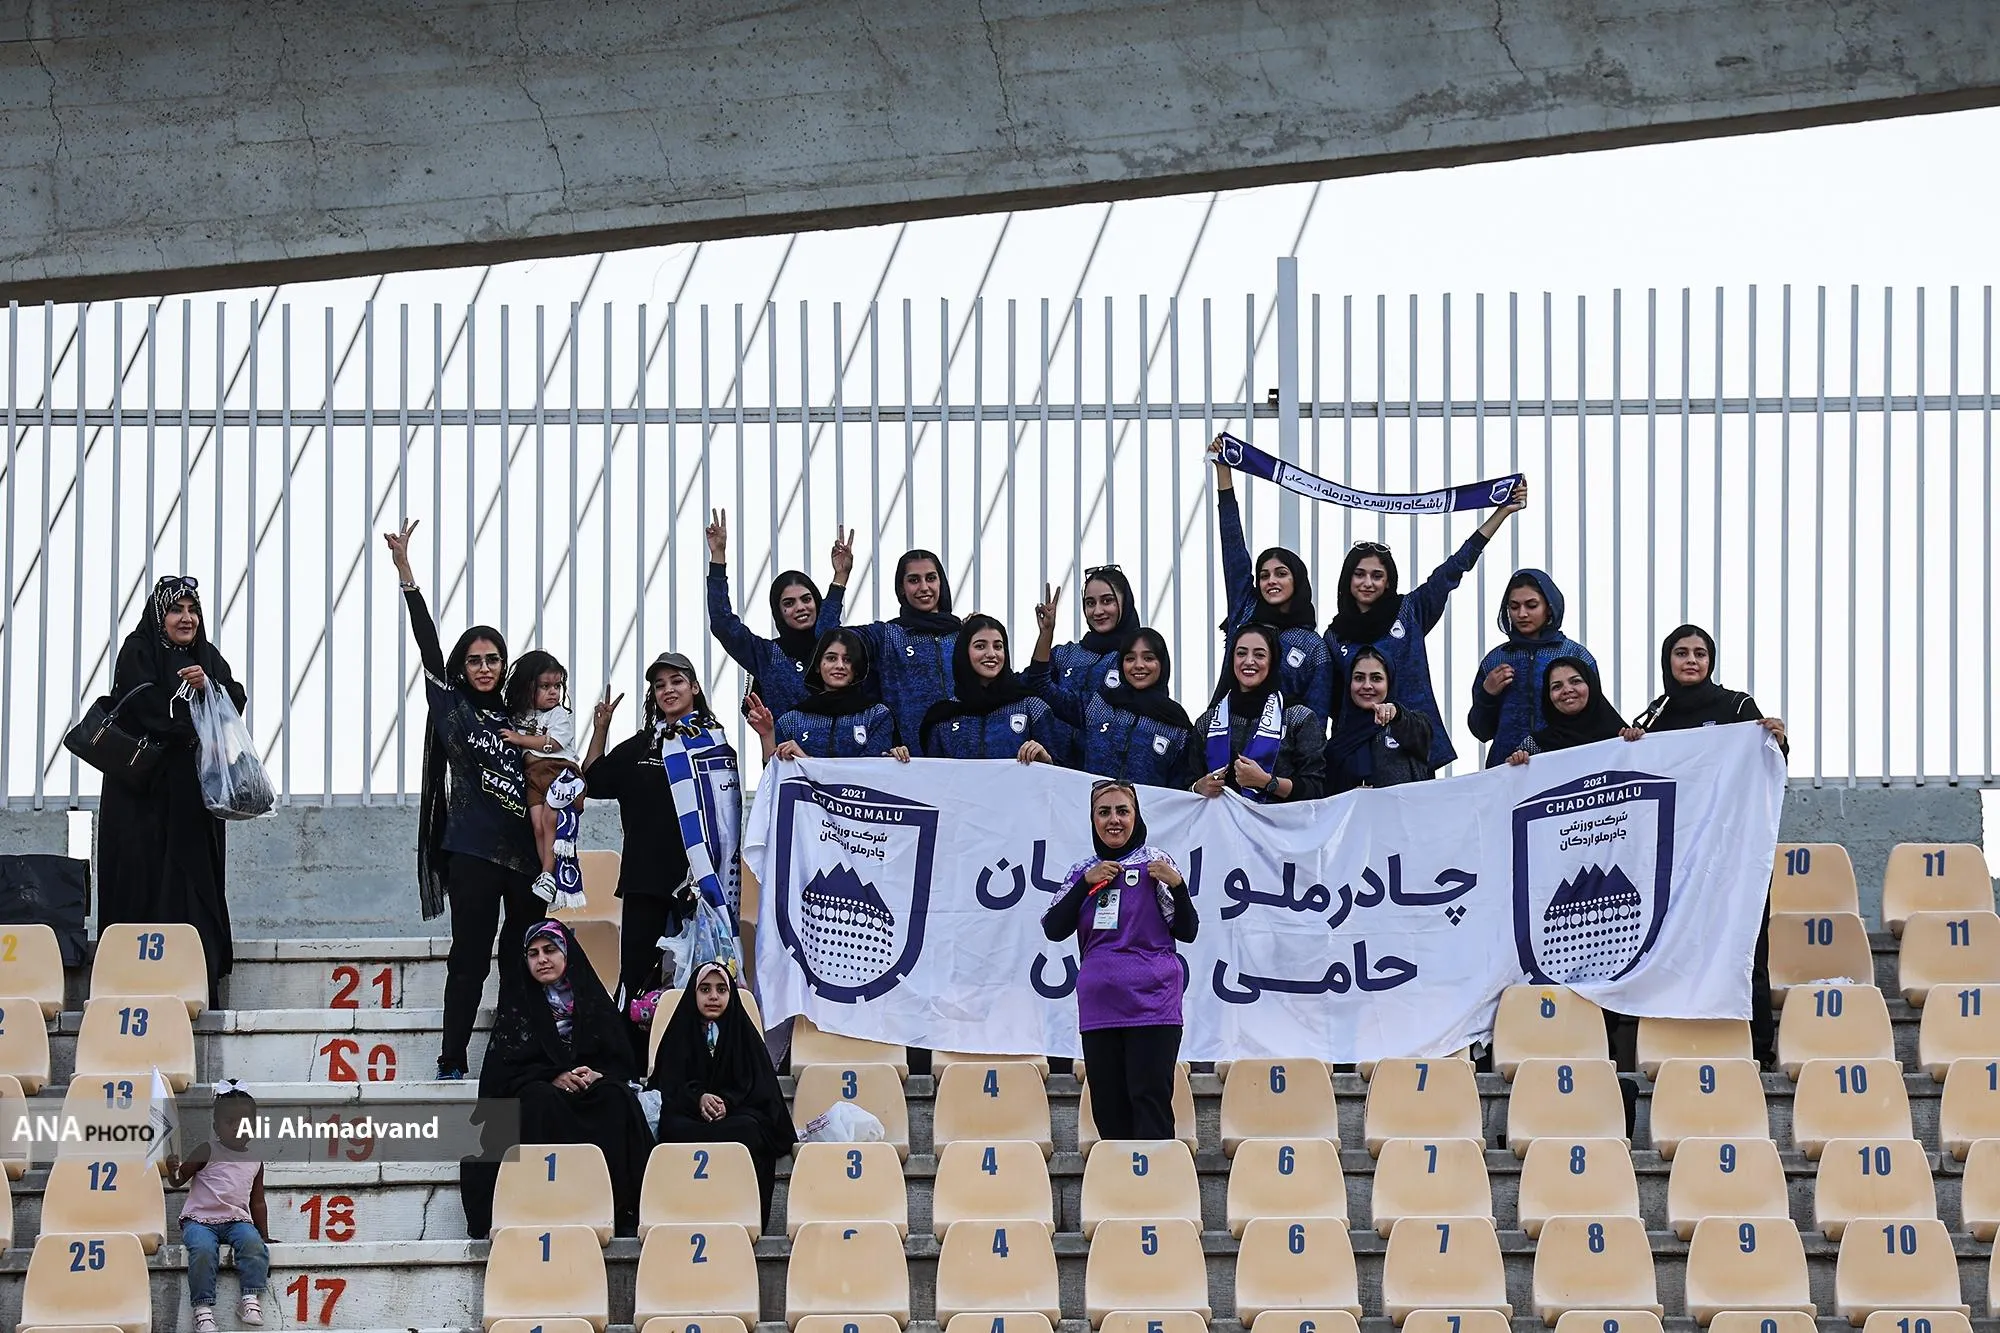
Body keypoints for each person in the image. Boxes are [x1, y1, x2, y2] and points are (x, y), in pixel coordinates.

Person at [386, 519, 541, 1080]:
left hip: (526, 858)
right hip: (471, 853)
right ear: (463, 665)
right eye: (475, 660)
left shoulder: (523, 715)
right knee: (470, 957)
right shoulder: (450, 705)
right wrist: (407, 574)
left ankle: (519, 1060)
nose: (484, 668)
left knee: (524, 958)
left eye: (493, 659)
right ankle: (451, 1059)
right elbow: (427, 644)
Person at [1625, 624, 1788, 1067]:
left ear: (1711, 660)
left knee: (1744, 946)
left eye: (1700, 653)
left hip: (1733, 855)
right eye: (1681, 653)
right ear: (1668, 661)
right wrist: (1632, 746)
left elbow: (1767, 764)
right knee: (1674, 947)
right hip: (1678, 861)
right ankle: (1673, 1044)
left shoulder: (1737, 707)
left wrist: (1777, 740)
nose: (1691, 661)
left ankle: (1757, 1049)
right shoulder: (1654, 717)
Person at [96, 575, 247, 1010]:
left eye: (192, 610)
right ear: (159, 616)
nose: (186, 619)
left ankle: (194, 983)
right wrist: (188, 707)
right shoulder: (138, 651)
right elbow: (142, 705)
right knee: (141, 879)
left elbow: (235, 698)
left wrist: (208, 688)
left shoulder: (205, 657)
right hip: (140, 798)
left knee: (191, 882)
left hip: (189, 796)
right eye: (176, 610)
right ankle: (134, 988)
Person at [462, 921, 653, 1238]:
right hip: (540, 1095)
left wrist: (596, 1073)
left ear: (567, 954)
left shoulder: (592, 1000)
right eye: (533, 953)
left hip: (587, 1090)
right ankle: (540, 1201)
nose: (542, 960)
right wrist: (551, 1075)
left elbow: (620, 1061)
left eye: (550, 950)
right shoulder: (518, 1004)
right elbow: (502, 1073)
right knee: (538, 1099)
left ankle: (616, 1206)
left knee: (615, 1097)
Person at [1323, 480, 1530, 770]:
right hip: (1354, 756)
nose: (1367, 582)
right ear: (1348, 579)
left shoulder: (1411, 611)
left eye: (1377, 576)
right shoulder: (1334, 636)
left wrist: (1502, 512)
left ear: (1388, 582)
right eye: (1359, 574)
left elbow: (1454, 568)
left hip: (1412, 752)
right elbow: (1330, 701)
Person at [582, 653, 739, 1018]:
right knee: (637, 977)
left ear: (694, 687)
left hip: (699, 884)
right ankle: (633, 1052)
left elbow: (728, 820)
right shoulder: (641, 745)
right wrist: (601, 727)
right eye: (659, 685)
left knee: (702, 976)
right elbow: (593, 779)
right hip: (644, 881)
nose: (668, 690)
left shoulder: (716, 747)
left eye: (676, 681)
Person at [1041, 781, 1196, 1141]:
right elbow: (1053, 928)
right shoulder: (1083, 870)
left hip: (1152, 1005)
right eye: (1104, 812)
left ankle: (1156, 1179)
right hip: (1101, 1008)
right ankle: (1119, 1179)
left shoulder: (1156, 864)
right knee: (1108, 1110)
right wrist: (1085, 883)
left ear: (1136, 816)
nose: (1114, 820)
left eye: (1122, 811)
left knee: (1150, 1102)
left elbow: (1187, 930)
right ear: (1093, 820)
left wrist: (1178, 887)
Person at [649, 960, 797, 1227]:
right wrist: (698, 1098)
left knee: (749, 1130)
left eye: (721, 989)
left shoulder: (743, 1035)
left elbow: (759, 1087)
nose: (713, 997)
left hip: (735, 1116)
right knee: (673, 1127)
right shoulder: (679, 1033)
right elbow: (668, 1083)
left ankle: (744, 1215)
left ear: (731, 994)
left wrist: (727, 1102)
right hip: (690, 1116)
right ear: (694, 994)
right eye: (705, 989)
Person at [1209, 450, 1335, 722]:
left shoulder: (1314, 647)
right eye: (1264, 576)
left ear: (1297, 581)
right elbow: (1232, 546)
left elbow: (1316, 717)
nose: (1271, 581)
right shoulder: (1245, 611)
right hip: (1226, 732)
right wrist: (1223, 474)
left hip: (1281, 745)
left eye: (1281, 574)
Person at [1026, 596, 1195, 786]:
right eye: (1130, 659)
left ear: (1162, 664)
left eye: (1148, 658)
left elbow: (1182, 791)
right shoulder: (1097, 705)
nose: (1138, 665)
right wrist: (1046, 634)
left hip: (1148, 807)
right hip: (1090, 805)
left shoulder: (1178, 728)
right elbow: (1041, 685)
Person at [705, 508, 853, 720]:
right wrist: (718, 556)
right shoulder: (768, 656)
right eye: (789, 603)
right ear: (778, 612)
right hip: (782, 742)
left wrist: (841, 577)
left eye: (806, 599)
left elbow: (827, 628)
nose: (800, 607)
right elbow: (723, 624)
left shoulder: (839, 650)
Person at [1181, 624, 1326, 802]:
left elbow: (1316, 789)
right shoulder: (1208, 721)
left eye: (1259, 655)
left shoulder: (1298, 718)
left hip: (1277, 820)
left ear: (1272, 661)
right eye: (1241, 653)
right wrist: (1198, 787)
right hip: (1219, 820)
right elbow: (1184, 787)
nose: (1249, 661)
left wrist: (1267, 782)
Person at [167, 1082, 270, 1333]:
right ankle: (202, 1308)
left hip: (237, 1220)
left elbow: (257, 1201)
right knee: (202, 1250)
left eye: (244, 1122)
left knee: (254, 1245)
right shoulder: (207, 1150)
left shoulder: (255, 1160)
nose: (237, 1127)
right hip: (200, 1220)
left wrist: (264, 1235)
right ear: (216, 1127)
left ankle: (250, 1297)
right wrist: (172, 1169)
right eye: (229, 1122)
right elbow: (179, 1180)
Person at [1467, 569, 1596, 766]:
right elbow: (1481, 731)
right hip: (1507, 769)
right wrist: (1487, 695)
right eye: (1514, 606)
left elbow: (1595, 716)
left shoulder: (1575, 655)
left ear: (1549, 607)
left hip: (1565, 767)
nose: (1522, 614)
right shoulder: (1495, 660)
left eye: (1532, 605)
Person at [847, 548, 963, 753]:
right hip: (906, 760)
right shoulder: (886, 636)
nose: (924, 587)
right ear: (901, 588)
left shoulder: (963, 636)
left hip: (962, 759)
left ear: (941, 583)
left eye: (931, 578)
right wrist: (840, 579)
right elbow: (828, 638)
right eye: (914, 580)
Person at [742, 629, 911, 761]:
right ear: (817, 665)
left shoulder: (877, 715)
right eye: (831, 658)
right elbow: (774, 778)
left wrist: (806, 760)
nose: (840, 665)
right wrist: (767, 734)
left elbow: (869, 776)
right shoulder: (792, 721)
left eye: (848, 659)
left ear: (857, 668)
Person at [502, 650, 587, 907]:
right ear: (527, 687)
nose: (553, 692)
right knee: (538, 825)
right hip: (533, 776)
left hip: (557, 771)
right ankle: (546, 877)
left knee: (551, 819)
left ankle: (550, 874)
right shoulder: (519, 716)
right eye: (545, 686)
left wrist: (520, 739)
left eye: (557, 686)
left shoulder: (559, 715)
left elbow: (554, 743)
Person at [918, 613, 1059, 763]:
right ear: (964, 652)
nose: (991, 654)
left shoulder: (1032, 708)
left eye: (998, 646)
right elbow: (932, 774)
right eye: (980, 646)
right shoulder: (942, 717)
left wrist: (1047, 760)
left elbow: (1063, 769)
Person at [1043, 564, 1141, 761]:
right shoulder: (1066, 655)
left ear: (1125, 601)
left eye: (1107, 601)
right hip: (1057, 771)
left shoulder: (1138, 657)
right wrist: (1046, 634)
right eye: (1090, 603)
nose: (1098, 611)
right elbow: (1026, 683)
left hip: (1112, 774)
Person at [1324, 648, 1436, 793]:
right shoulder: (1337, 743)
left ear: (1389, 682)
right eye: (1359, 678)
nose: (1367, 685)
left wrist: (1397, 714)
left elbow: (1421, 734)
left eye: (1376, 678)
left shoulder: (1409, 725)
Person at [1504, 656, 1626, 763]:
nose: (1567, 690)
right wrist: (1517, 762)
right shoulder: (1534, 746)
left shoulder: (1621, 735)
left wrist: (1635, 741)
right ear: (1548, 696)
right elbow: (1511, 778)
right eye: (1557, 686)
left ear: (1591, 685)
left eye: (1576, 681)